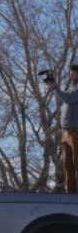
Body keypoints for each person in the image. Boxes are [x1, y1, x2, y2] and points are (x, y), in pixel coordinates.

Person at [47, 64, 78, 194]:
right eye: (71, 72)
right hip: (66, 132)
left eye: (74, 72)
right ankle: (70, 193)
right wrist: (54, 85)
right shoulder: (71, 87)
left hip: (76, 131)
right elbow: (65, 97)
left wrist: (55, 87)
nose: (71, 74)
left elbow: (68, 99)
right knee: (67, 163)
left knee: (76, 161)